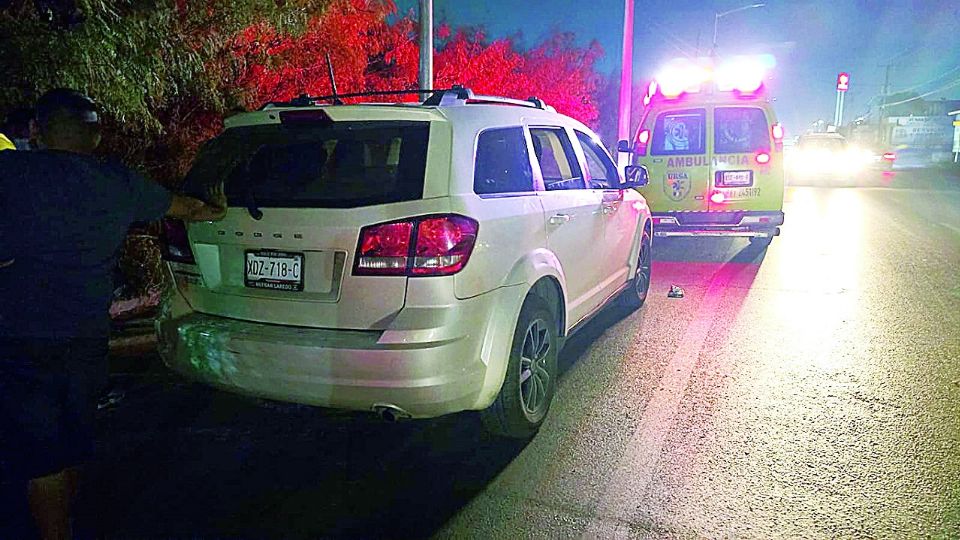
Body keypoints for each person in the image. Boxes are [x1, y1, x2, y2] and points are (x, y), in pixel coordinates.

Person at [0, 88, 228, 539]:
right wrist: (219, 205)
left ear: (34, 130)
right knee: (72, 442)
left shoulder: (11, 174)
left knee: (39, 454)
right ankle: (65, 520)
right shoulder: (118, 183)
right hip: (85, 339)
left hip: (22, 338)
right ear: (96, 138)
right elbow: (190, 209)